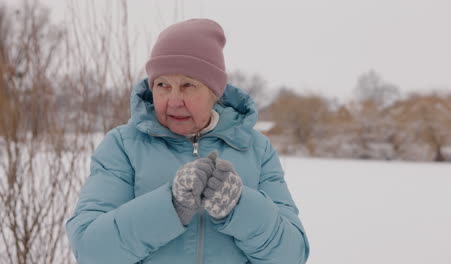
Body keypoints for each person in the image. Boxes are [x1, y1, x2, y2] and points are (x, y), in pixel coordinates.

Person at [66, 18, 309, 264]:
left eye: (187, 86)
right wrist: (170, 206)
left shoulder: (256, 149)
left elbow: (292, 255)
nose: (173, 100)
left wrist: (238, 206)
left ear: (214, 92)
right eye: (162, 85)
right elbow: (90, 251)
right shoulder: (123, 146)